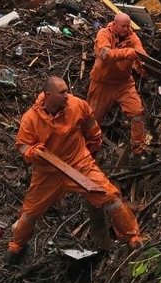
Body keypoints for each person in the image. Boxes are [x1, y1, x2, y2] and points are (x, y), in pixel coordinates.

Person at [9, 77, 145, 263]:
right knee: (30, 213)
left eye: (67, 90)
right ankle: (16, 246)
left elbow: (90, 123)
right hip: (48, 172)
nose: (67, 95)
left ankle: (132, 236)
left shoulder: (76, 105)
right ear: (49, 96)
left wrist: (93, 143)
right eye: (62, 92)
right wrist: (33, 153)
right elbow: (22, 146)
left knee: (110, 197)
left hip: (79, 164)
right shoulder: (31, 119)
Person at [87, 13, 150, 156]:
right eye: (123, 26)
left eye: (128, 26)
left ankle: (138, 147)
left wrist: (143, 68)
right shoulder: (103, 33)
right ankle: (88, 147)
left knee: (137, 113)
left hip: (124, 83)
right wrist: (128, 53)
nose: (126, 29)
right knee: (93, 117)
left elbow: (140, 53)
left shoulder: (132, 37)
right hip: (102, 83)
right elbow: (105, 55)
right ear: (114, 24)